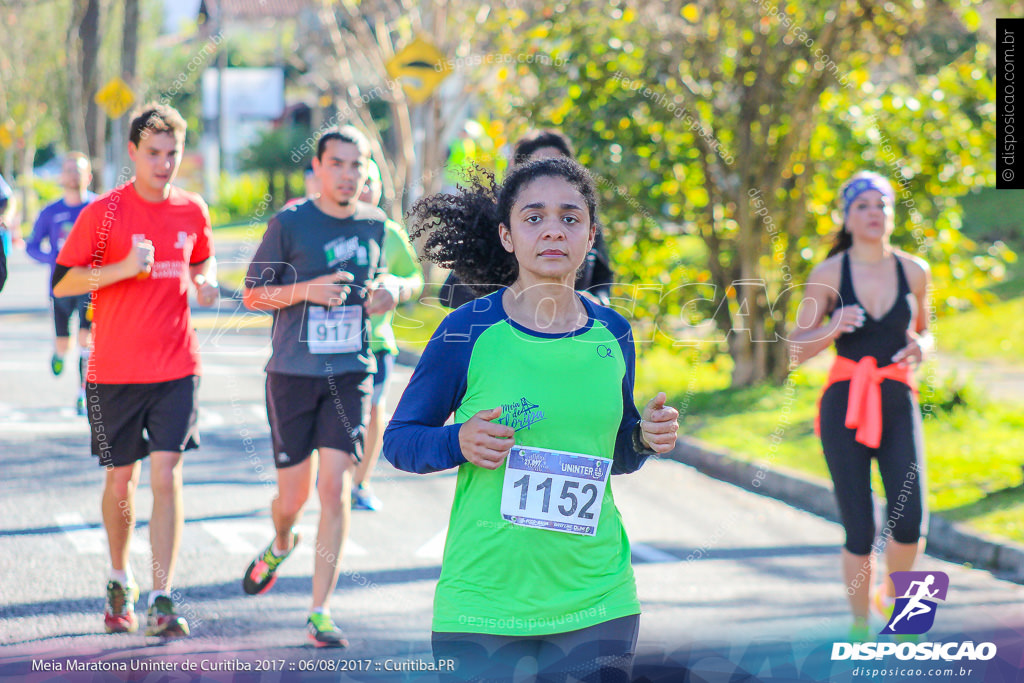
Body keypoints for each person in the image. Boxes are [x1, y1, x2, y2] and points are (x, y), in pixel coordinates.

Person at [383, 157, 679, 680]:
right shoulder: (467, 330)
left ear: (591, 236)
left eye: (570, 218)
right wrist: (459, 442)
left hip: (598, 597)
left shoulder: (613, 333)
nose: (553, 230)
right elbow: (401, 441)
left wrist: (643, 437)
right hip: (483, 602)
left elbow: (614, 453)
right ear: (507, 235)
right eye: (534, 216)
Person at [52, 103, 219, 638]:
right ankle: (118, 577)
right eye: (154, 154)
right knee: (121, 479)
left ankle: (162, 596)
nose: (164, 164)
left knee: (167, 474)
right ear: (132, 153)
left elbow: (202, 262)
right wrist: (122, 268)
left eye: (172, 154)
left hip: (177, 367)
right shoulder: (103, 213)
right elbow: (63, 283)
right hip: (112, 372)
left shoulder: (192, 210)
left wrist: (206, 282)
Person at [240, 126, 401, 647]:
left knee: (334, 488)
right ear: (318, 167)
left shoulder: (377, 224)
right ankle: (282, 540)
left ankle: (320, 610)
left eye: (358, 166)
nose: (349, 175)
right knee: (293, 497)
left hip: (350, 371)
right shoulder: (290, 224)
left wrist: (393, 291)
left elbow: (409, 278)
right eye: (339, 164)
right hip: (291, 375)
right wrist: (307, 290)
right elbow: (251, 296)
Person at [788, 171, 932, 642]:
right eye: (863, 206)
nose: (874, 214)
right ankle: (858, 625)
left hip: (896, 397)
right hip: (844, 403)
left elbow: (926, 329)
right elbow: (794, 347)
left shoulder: (914, 270)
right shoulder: (829, 274)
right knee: (859, 524)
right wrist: (834, 326)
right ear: (847, 218)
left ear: (892, 214)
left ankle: (906, 616)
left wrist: (924, 347)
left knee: (910, 516)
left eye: (882, 205)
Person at [439, 130, 614, 309]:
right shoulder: (494, 223)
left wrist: (598, 301)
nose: (553, 233)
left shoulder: (582, 221)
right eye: (534, 219)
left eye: (557, 165)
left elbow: (602, 277)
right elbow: (452, 294)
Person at [351, 158, 423, 511]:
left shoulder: (388, 231)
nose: (365, 187)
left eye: (372, 181)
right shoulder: (325, 228)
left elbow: (416, 279)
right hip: (328, 347)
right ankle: (332, 475)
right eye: (360, 179)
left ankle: (360, 483)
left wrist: (397, 286)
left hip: (377, 343)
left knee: (375, 411)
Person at [26, 153, 96, 413]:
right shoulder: (51, 212)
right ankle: (57, 355)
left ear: (88, 176)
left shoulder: (98, 207)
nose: (73, 175)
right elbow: (32, 245)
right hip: (60, 286)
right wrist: (53, 259)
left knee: (86, 340)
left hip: (90, 284)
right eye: (68, 170)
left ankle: (82, 393)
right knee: (64, 343)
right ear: (61, 177)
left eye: (79, 170)